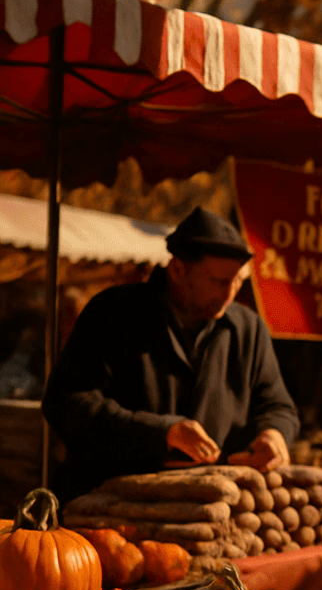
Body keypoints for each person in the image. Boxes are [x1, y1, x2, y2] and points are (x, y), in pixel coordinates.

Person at [43, 208, 299, 499]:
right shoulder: (113, 313)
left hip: (213, 509)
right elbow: (66, 404)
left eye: (238, 280)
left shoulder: (248, 329)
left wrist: (274, 434)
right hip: (111, 505)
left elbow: (278, 407)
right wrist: (162, 433)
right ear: (177, 270)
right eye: (218, 281)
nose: (230, 293)